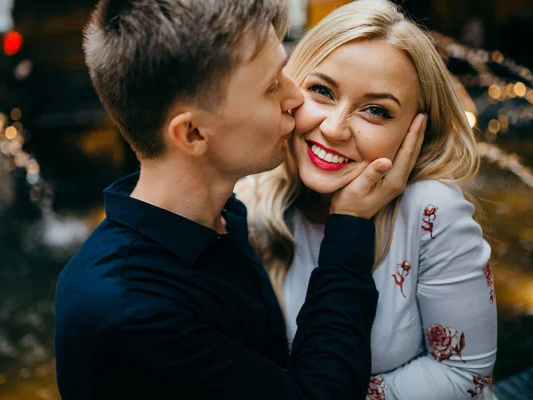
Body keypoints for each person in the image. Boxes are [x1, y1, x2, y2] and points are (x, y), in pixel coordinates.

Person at [54, 0, 426, 399]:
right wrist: (350, 223)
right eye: (271, 86)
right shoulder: (129, 315)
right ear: (193, 133)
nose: (296, 96)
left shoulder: (222, 219)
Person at [236, 1, 497, 399]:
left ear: (415, 132)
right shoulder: (253, 201)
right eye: (321, 91)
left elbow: (465, 376)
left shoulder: (431, 211)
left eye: (375, 111)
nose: (336, 129)